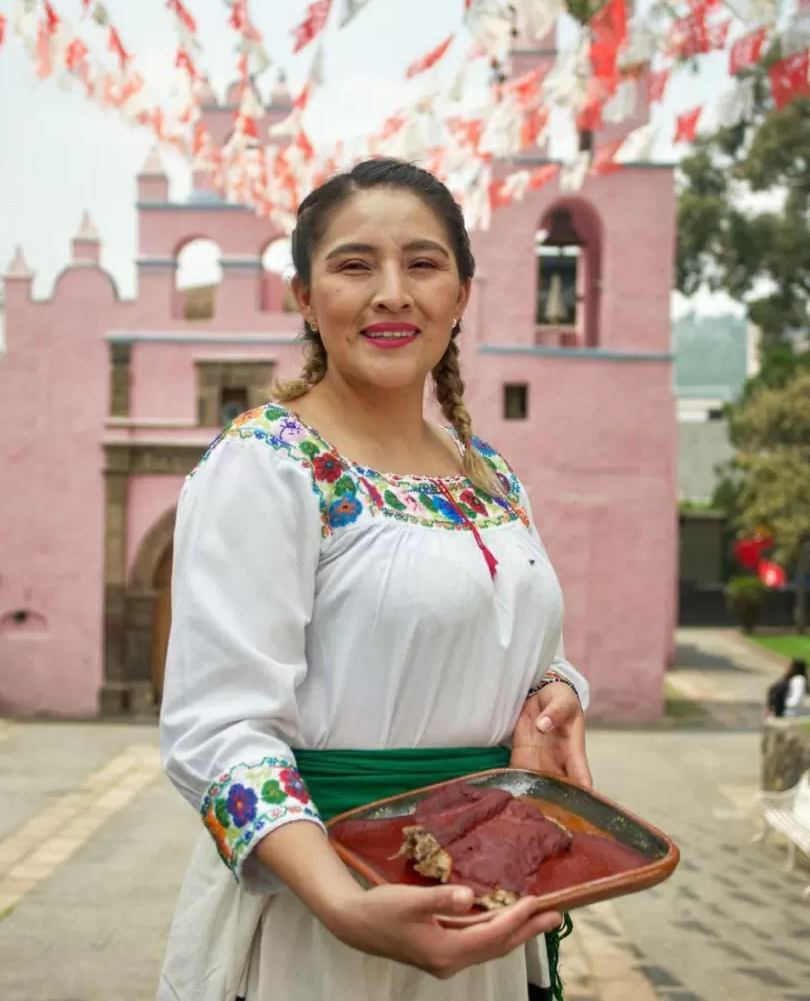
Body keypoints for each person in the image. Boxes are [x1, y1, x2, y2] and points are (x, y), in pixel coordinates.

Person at [158, 158, 592, 1001]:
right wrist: (341, 904)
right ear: (304, 298)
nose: (393, 292)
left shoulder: (490, 475)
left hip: (482, 902)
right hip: (319, 916)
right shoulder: (269, 463)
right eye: (355, 264)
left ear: (462, 295)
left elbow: (519, 644)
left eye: (423, 264)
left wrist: (553, 691)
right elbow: (217, 731)